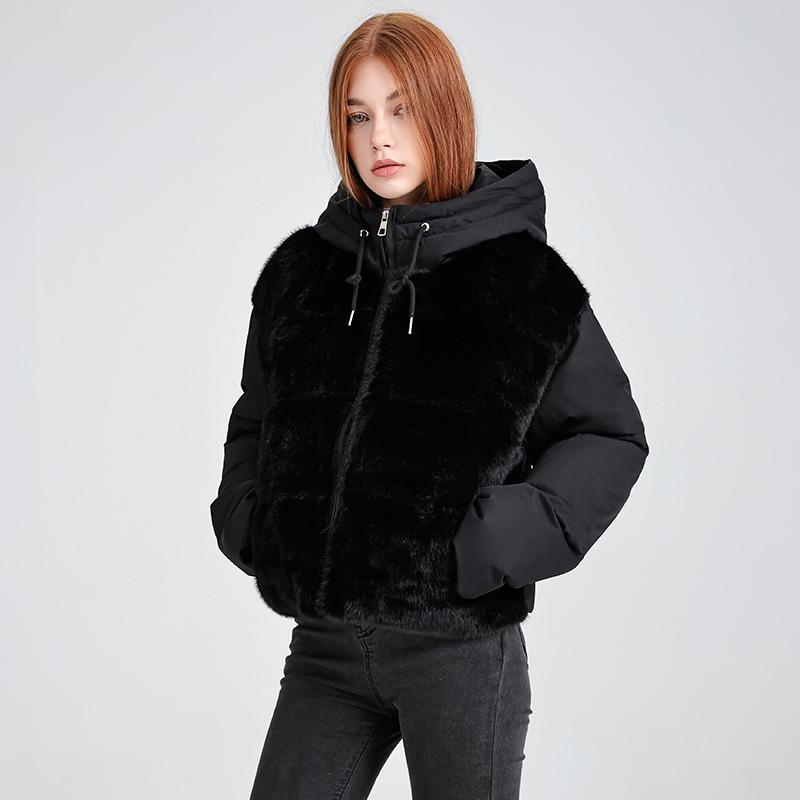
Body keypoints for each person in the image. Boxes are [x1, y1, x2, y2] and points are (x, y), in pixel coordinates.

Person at [210, 12, 649, 800]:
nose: (380, 136)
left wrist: (482, 545)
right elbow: (256, 419)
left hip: (458, 654)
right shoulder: (303, 274)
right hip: (325, 650)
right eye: (359, 115)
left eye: (402, 108)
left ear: (444, 112)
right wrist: (255, 523)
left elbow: (609, 435)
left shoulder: (526, 284)